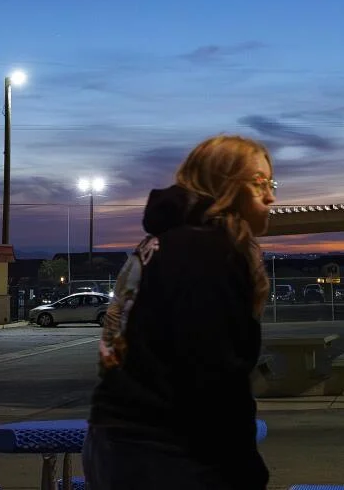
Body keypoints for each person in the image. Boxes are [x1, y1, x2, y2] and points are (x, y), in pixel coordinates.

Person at [83, 134, 276, 490]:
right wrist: (245, 469)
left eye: (271, 183)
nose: (271, 196)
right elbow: (213, 375)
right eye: (258, 183)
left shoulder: (162, 243)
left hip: (114, 438)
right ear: (225, 185)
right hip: (168, 452)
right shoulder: (208, 252)